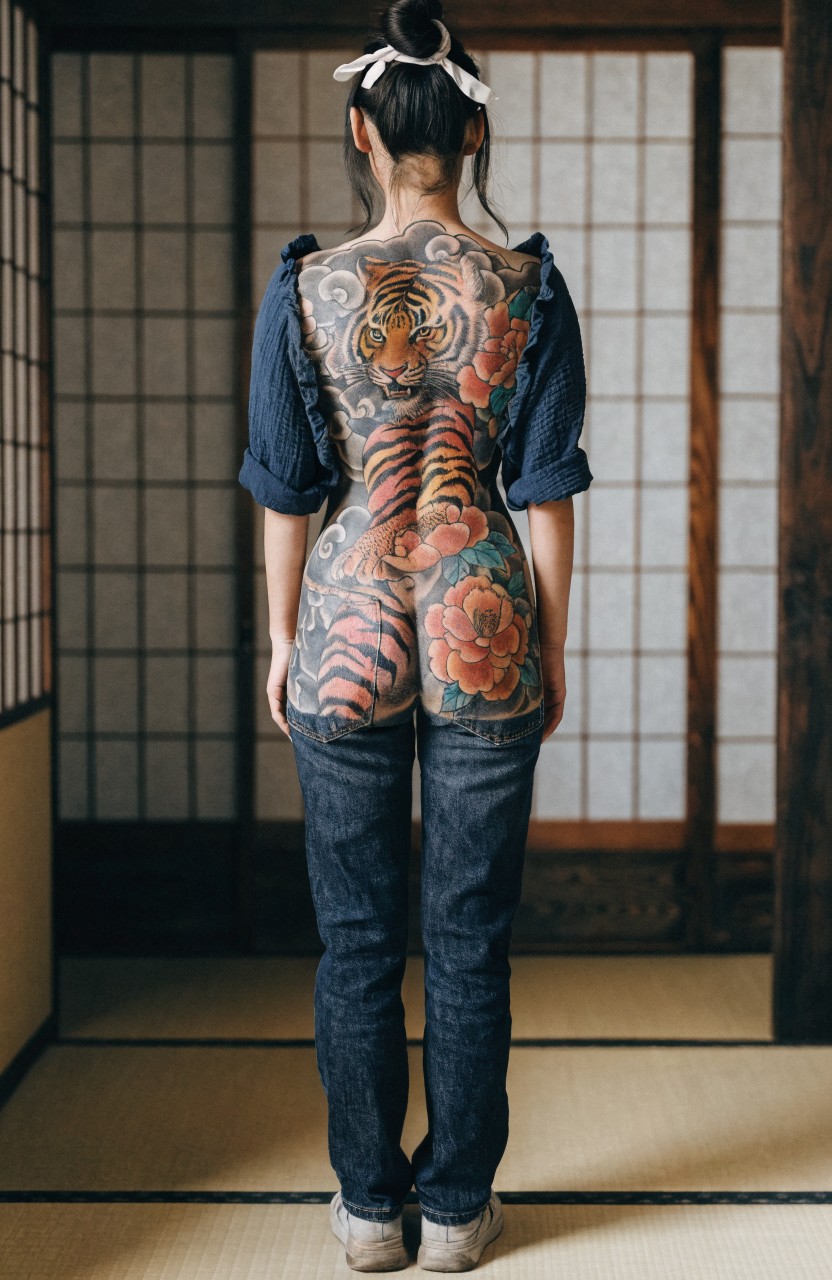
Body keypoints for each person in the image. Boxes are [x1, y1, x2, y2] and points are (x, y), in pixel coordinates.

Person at [239, 1, 592, 1269]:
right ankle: (456, 1210)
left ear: (361, 134)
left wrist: (281, 639)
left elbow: (284, 482)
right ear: (474, 132)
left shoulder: (305, 289)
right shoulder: (527, 286)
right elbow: (545, 487)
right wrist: (551, 644)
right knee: (467, 934)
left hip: (346, 612)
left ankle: (366, 1206)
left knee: (352, 936)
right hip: (480, 612)